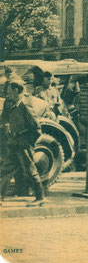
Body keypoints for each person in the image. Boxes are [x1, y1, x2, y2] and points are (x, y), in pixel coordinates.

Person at [0, 77, 45, 206]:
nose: (6, 93)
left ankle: (40, 197)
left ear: (15, 90)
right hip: (14, 144)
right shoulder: (14, 104)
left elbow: (36, 128)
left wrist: (29, 143)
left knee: (30, 171)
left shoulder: (25, 106)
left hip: (23, 146)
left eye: (9, 90)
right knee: (5, 170)